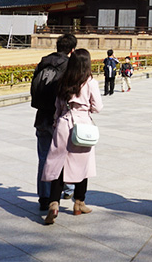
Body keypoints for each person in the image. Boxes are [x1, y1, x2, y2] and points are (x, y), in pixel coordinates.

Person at [41, 48, 103, 224]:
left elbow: (57, 106)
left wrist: (57, 121)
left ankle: (54, 202)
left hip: (63, 122)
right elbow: (98, 107)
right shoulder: (90, 82)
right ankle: (79, 202)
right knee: (83, 164)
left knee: (58, 164)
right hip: (82, 125)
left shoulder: (63, 81)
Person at [30, 33, 77, 212]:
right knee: (64, 154)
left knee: (43, 157)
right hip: (59, 117)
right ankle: (66, 189)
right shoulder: (68, 64)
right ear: (72, 50)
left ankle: (44, 196)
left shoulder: (44, 62)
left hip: (41, 115)